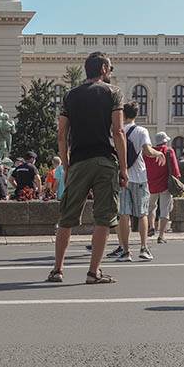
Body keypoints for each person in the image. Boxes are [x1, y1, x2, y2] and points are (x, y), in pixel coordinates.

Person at [49, 52, 127, 285]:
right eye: (110, 68)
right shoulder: (113, 93)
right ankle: (93, 273)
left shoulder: (70, 96)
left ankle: (57, 270)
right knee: (103, 218)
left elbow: (61, 134)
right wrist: (124, 168)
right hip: (104, 161)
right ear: (103, 68)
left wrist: (66, 164)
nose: (111, 72)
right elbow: (118, 131)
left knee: (66, 218)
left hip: (79, 162)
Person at [113, 101, 165, 262]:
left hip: (122, 177)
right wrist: (158, 154)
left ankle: (126, 251)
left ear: (124, 114)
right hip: (140, 177)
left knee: (123, 215)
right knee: (142, 213)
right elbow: (147, 151)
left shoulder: (117, 130)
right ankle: (143, 248)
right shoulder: (141, 131)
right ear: (136, 114)